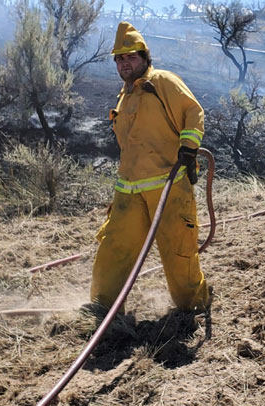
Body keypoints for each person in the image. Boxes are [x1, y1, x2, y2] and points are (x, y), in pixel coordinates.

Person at [90, 21, 210, 312]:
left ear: (145, 57)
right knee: (113, 249)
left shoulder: (163, 82)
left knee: (179, 255)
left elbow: (193, 112)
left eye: (131, 56)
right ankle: (102, 308)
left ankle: (193, 307)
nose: (125, 62)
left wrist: (188, 147)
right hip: (128, 192)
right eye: (120, 58)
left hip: (168, 189)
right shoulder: (125, 95)